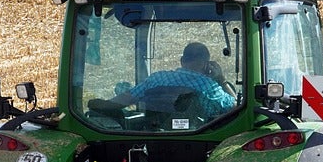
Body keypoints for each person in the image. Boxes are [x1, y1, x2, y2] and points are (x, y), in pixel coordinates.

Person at [89, 41, 236, 117]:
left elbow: (127, 98)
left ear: (182, 60)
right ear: (207, 64)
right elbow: (235, 108)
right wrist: (221, 80)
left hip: (152, 137)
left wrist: (103, 105)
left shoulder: (157, 78)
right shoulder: (208, 86)